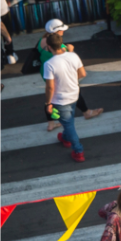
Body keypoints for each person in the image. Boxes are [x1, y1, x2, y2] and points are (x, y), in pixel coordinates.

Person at [42, 18, 90, 162]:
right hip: (74, 94)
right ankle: (65, 137)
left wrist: (48, 103)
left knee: (68, 124)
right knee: (68, 121)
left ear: (49, 47)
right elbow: (82, 74)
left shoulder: (49, 64)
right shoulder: (73, 55)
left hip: (60, 99)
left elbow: (50, 86)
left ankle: (78, 150)